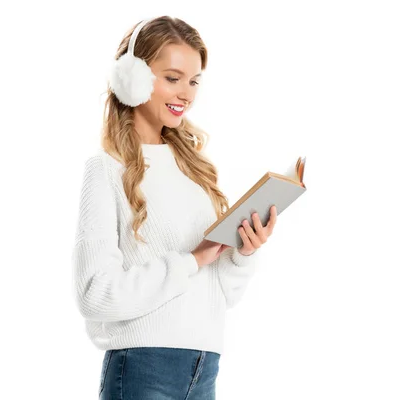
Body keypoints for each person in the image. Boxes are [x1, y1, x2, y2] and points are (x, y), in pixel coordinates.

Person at [71, 16, 277, 399]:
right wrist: (190, 261)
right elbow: (94, 293)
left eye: (194, 81)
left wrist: (243, 254)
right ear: (133, 78)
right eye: (172, 78)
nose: (187, 93)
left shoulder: (193, 171)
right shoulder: (106, 170)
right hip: (144, 368)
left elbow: (222, 294)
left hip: (204, 366)